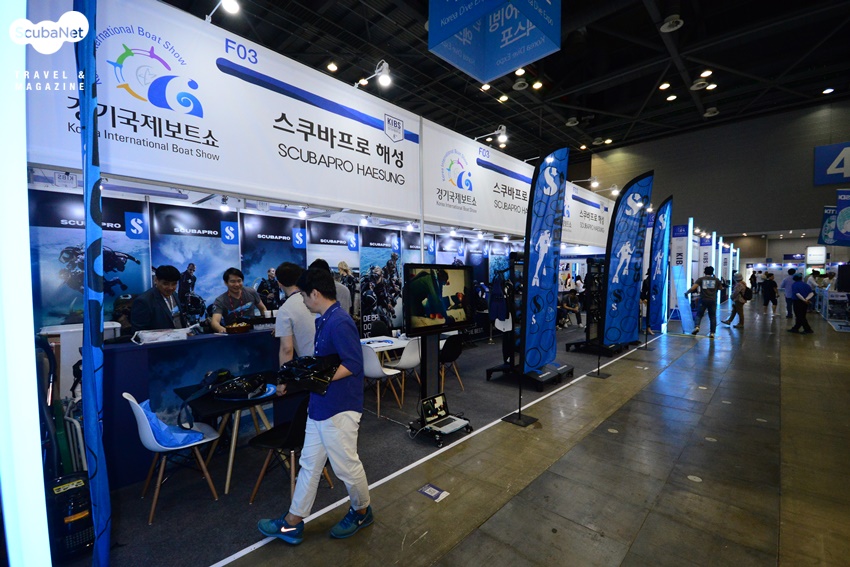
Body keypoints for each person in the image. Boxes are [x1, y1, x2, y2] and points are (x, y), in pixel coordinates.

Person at [258, 268, 372, 544]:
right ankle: (292, 522)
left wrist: (318, 378)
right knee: (309, 464)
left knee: (345, 466)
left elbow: (354, 363)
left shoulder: (339, 321)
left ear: (315, 294)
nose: (303, 301)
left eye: (304, 296)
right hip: (320, 404)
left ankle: (362, 510)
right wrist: (311, 376)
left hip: (339, 408)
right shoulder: (325, 319)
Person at [274, 262, 315, 369]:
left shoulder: (285, 309)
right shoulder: (315, 298)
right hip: (334, 361)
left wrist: (283, 376)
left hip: (312, 366)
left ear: (279, 283)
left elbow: (287, 349)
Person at [210, 267, 267, 333]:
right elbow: (215, 322)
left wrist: (265, 324)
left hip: (252, 331)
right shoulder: (220, 300)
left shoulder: (251, 292)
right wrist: (221, 329)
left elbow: (263, 309)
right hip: (232, 333)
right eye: (232, 281)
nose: (237, 284)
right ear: (226, 283)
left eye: (239, 281)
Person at [131, 265, 186, 332]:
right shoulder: (143, 301)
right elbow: (139, 332)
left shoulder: (174, 294)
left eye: (174, 284)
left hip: (181, 336)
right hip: (161, 338)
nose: (170, 288)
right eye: (166, 284)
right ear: (156, 280)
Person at [684, 266, 720, 338]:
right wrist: (716, 280)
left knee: (699, 314)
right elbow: (720, 288)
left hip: (703, 299)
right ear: (712, 272)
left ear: (704, 272)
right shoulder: (716, 280)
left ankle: (697, 327)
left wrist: (687, 293)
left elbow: (693, 288)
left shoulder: (701, 279)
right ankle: (712, 333)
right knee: (712, 316)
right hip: (713, 300)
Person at [640, 269, 654, 335]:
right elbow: (643, 291)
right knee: (649, 313)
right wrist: (644, 298)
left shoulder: (655, 281)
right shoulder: (646, 281)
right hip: (649, 298)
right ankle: (648, 327)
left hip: (655, 298)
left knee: (652, 313)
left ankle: (649, 327)